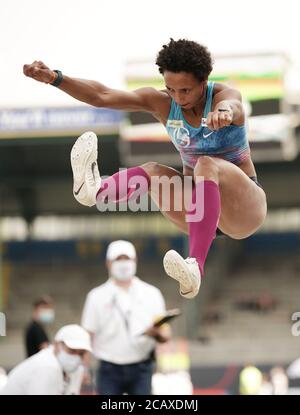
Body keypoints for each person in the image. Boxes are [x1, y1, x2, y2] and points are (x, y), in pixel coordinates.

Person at [23, 38, 267, 299]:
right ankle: (95, 191)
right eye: (171, 89)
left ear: (204, 81)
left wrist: (224, 112)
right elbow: (102, 95)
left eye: (185, 90)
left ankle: (195, 266)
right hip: (197, 213)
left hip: (244, 208)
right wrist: (55, 78)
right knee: (152, 171)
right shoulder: (161, 103)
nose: (178, 98)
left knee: (206, 164)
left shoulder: (223, 96)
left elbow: (233, 104)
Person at [81, 240, 171, 395]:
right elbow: (87, 336)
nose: (123, 263)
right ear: (108, 263)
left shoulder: (151, 294)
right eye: (118, 259)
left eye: (127, 258)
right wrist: (83, 368)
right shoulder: (96, 296)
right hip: (109, 368)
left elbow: (165, 334)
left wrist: (156, 333)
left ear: (135, 260)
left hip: (142, 366)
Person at [0, 324, 91, 395]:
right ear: (56, 345)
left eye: (81, 353)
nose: (76, 356)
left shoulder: (75, 369)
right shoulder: (46, 367)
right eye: (72, 350)